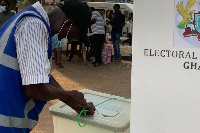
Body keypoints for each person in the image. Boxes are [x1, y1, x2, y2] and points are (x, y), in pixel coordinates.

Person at [0, 0, 95, 132]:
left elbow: (43, 76)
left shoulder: (26, 20)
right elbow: (34, 87)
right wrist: (69, 96)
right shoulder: (33, 26)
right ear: (67, 23)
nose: (71, 39)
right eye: (73, 35)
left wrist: (70, 100)